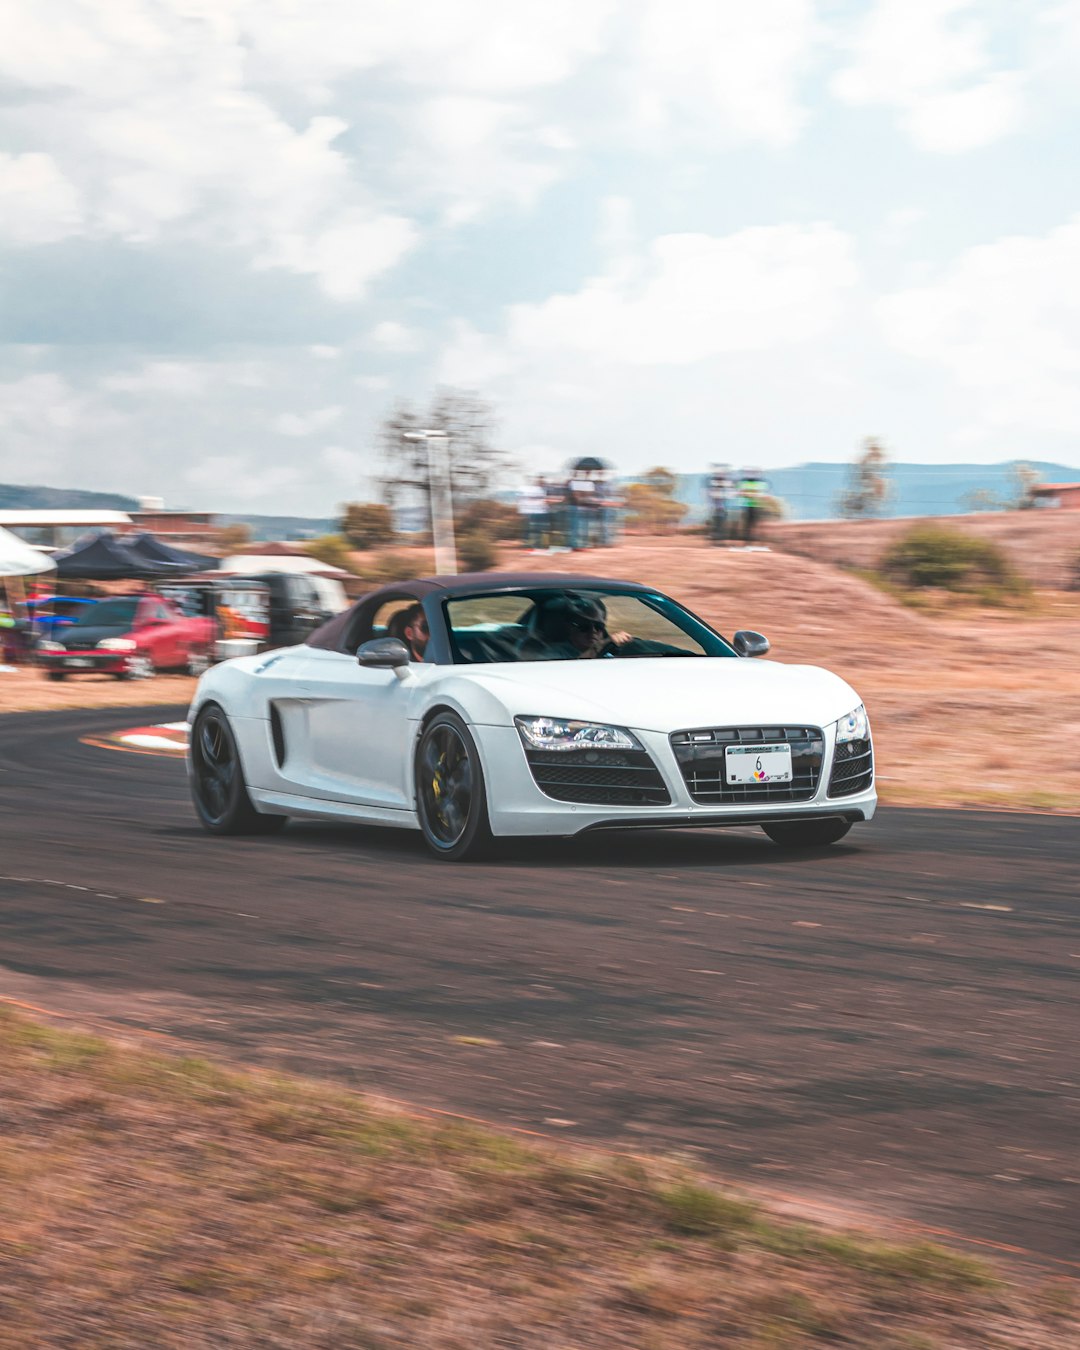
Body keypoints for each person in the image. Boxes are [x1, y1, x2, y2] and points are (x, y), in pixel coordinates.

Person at [518, 592, 631, 661]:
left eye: (598, 626)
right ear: (570, 629)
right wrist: (602, 646)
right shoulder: (554, 653)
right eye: (584, 627)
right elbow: (571, 670)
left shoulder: (610, 650)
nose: (593, 631)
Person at [516, 476, 550, 552]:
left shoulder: (545, 491)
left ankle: (538, 544)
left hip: (541, 512)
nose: (541, 484)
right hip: (532, 512)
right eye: (540, 483)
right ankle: (527, 544)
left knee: (539, 529)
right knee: (529, 528)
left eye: (542, 483)